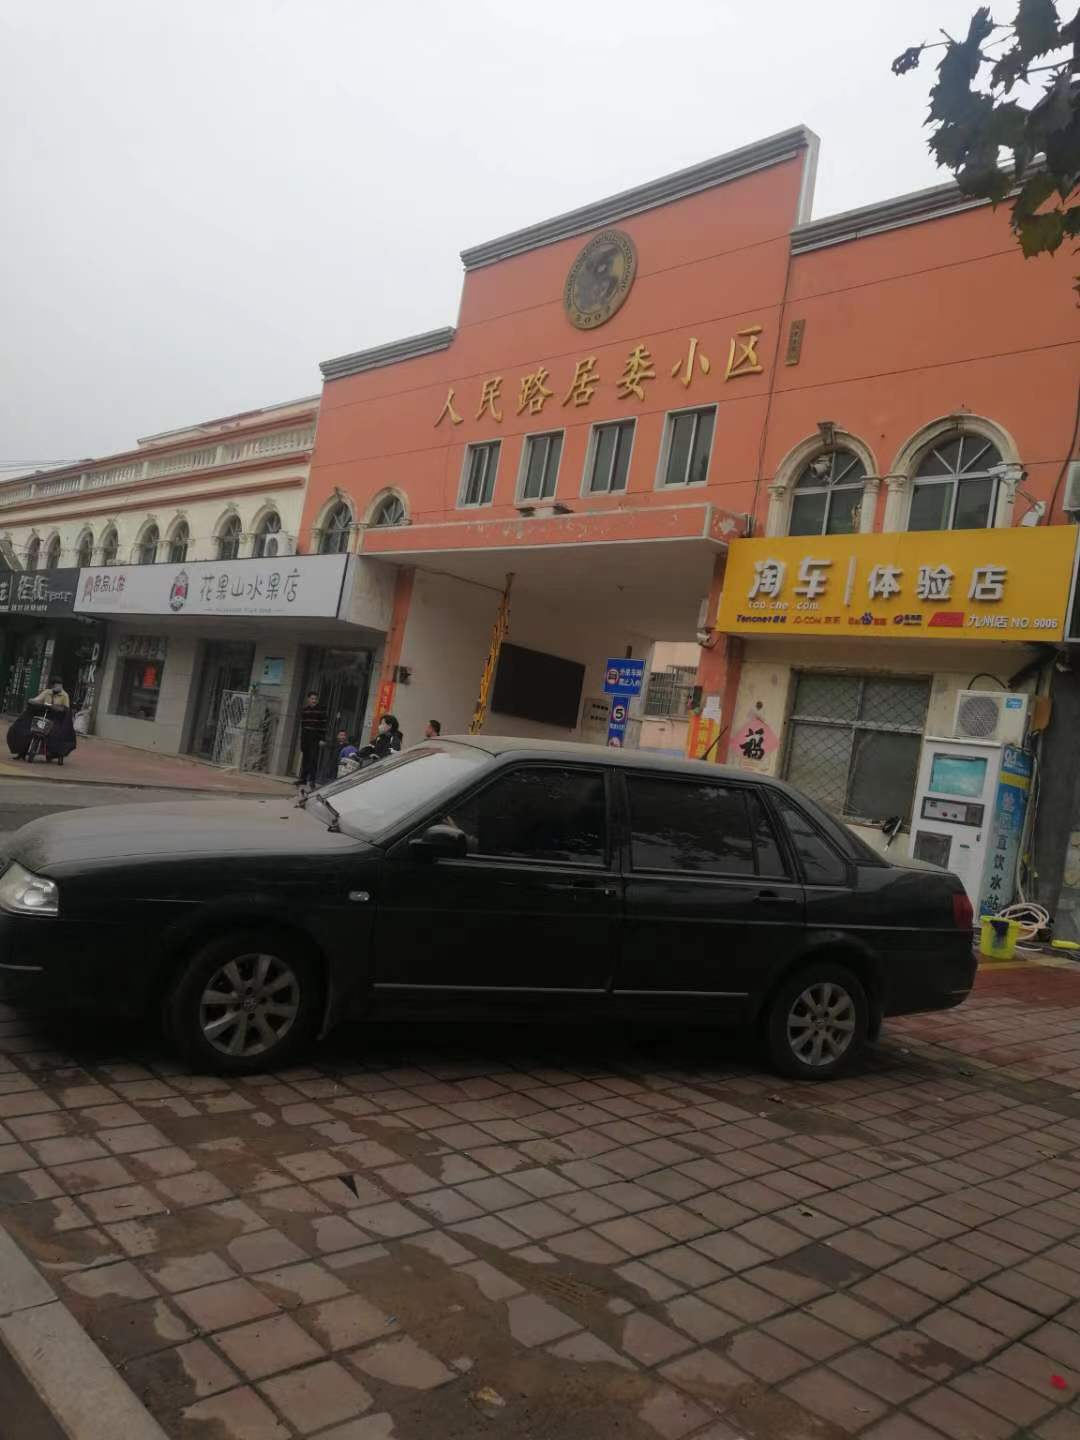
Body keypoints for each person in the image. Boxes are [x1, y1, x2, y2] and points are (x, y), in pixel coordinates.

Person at [297, 691, 327, 789]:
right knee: (305, 758)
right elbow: (303, 726)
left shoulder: (321, 711)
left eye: (315, 699)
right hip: (306, 736)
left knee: (313, 759)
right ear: (308, 699)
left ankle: (312, 780)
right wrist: (302, 740)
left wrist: (322, 739)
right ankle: (303, 778)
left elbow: (324, 725)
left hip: (315, 737)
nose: (314, 701)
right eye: (312, 699)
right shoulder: (305, 711)